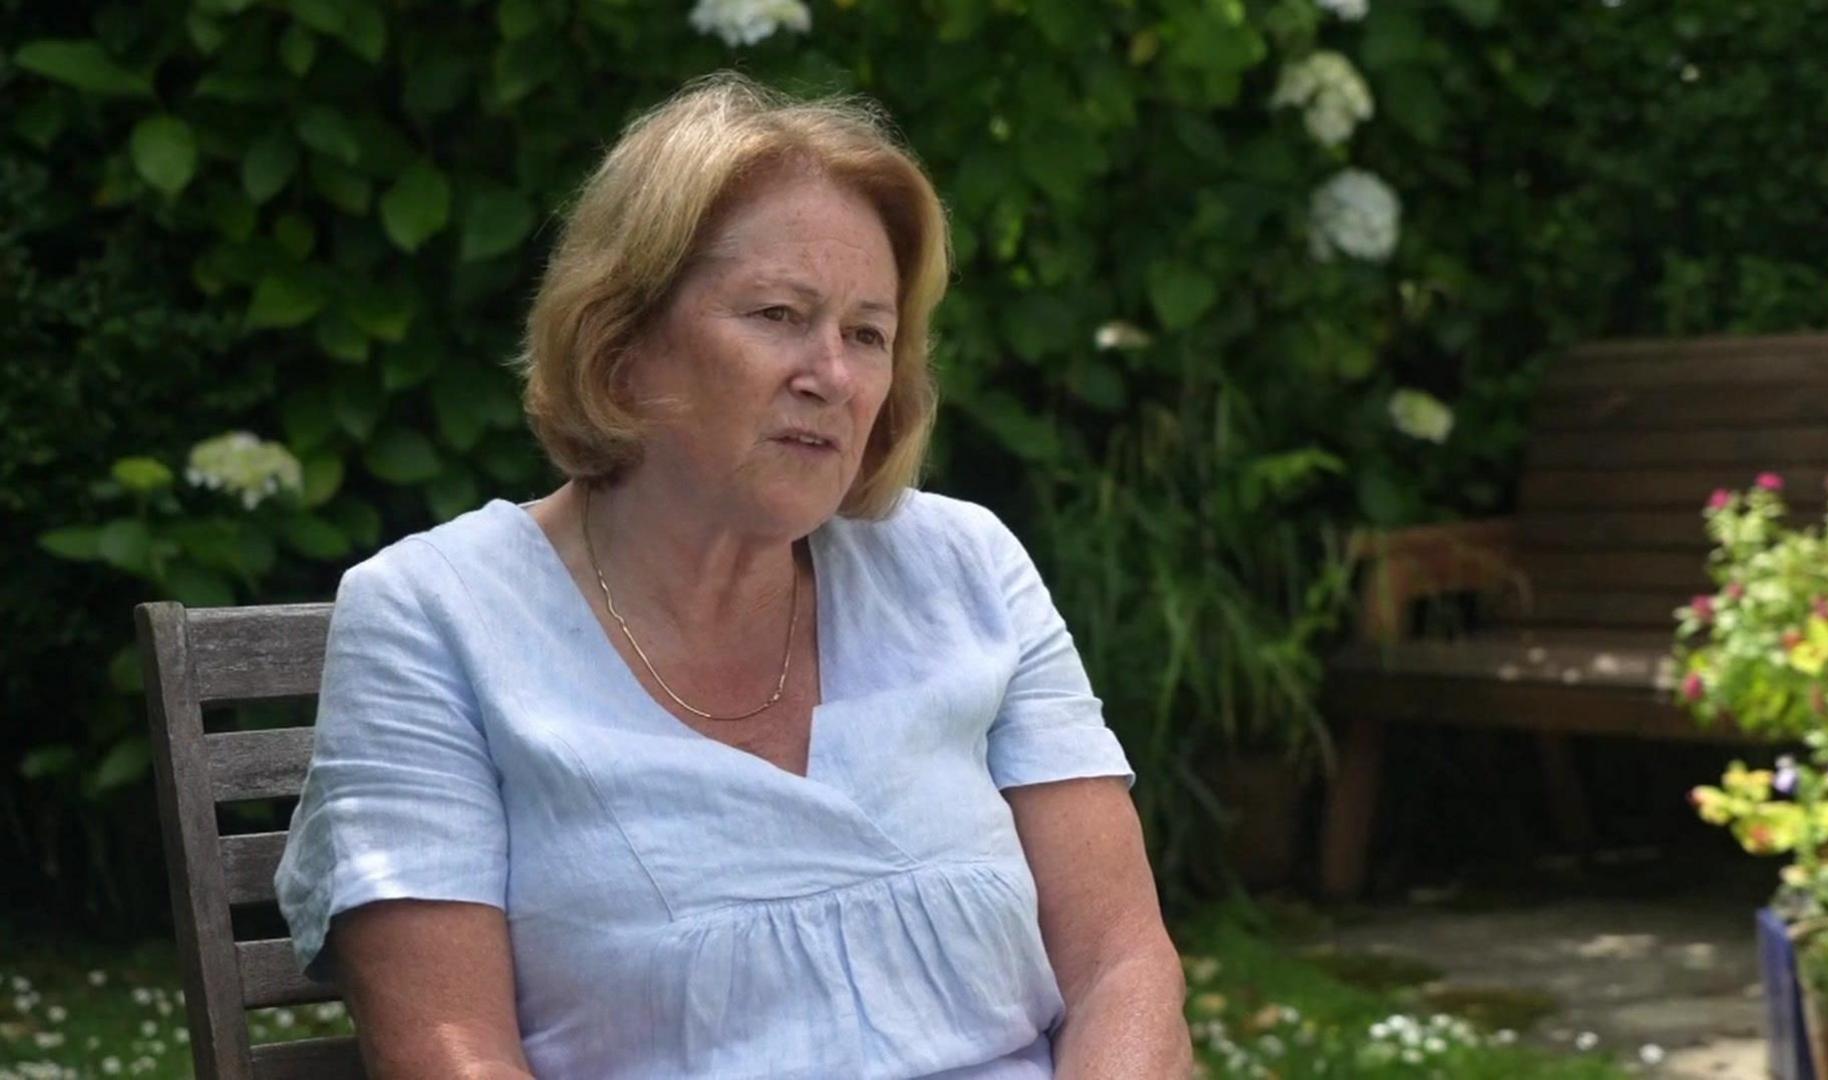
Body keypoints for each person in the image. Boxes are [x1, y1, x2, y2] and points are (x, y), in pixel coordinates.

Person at [274, 72, 1189, 1079]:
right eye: (778, 315)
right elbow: (451, 1055)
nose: (832, 377)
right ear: (620, 346)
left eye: (868, 334)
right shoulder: (433, 616)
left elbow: (1123, 967)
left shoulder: (963, 566)